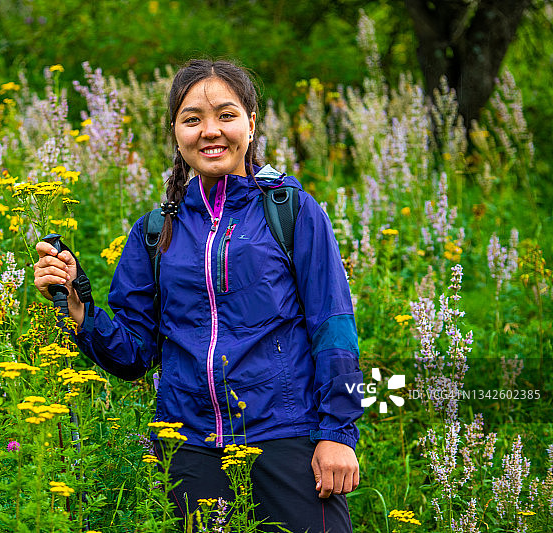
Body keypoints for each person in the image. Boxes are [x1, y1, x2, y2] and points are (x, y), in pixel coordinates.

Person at [34, 59, 364, 533]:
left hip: (287, 438)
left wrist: (337, 434)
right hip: (188, 448)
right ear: (175, 132)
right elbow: (135, 354)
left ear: (251, 123)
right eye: (193, 119)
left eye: (226, 115)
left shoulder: (292, 210)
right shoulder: (155, 231)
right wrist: (77, 307)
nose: (211, 131)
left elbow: (334, 328)